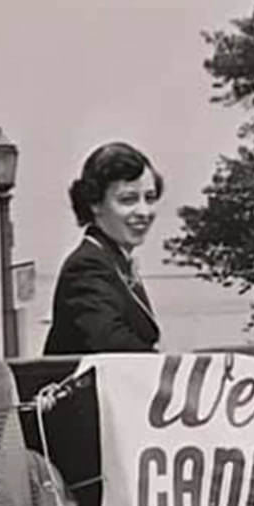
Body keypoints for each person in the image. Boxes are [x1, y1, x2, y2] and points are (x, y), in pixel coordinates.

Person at [44, 142, 163, 355]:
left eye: (150, 198)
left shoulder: (111, 260)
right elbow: (113, 344)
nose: (144, 212)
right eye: (128, 199)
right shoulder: (86, 267)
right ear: (94, 203)